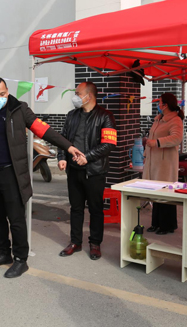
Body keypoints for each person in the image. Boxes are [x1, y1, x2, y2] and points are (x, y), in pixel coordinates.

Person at [0, 71, 84, 278]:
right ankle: (4, 253)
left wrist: (69, 147)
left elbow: (43, 130)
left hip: (11, 173)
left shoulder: (19, 109)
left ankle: (21, 259)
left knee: (16, 219)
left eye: (2, 93)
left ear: (8, 91)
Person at [57, 82, 117, 260]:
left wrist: (87, 157)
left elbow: (108, 144)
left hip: (94, 171)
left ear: (89, 96)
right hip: (74, 170)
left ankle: (95, 243)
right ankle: (75, 242)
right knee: (75, 208)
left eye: (78, 93)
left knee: (95, 209)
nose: (75, 97)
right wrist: (61, 157)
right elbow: (63, 139)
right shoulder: (72, 115)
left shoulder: (105, 116)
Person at [143, 93, 184, 235]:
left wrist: (157, 143)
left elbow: (176, 138)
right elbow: (151, 137)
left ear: (165, 105)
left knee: (165, 195)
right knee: (155, 194)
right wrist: (146, 154)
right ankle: (156, 223)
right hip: (153, 161)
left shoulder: (175, 120)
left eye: (159, 102)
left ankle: (167, 225)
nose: (158, 105)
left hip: (165, 163)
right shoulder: (158, 119)